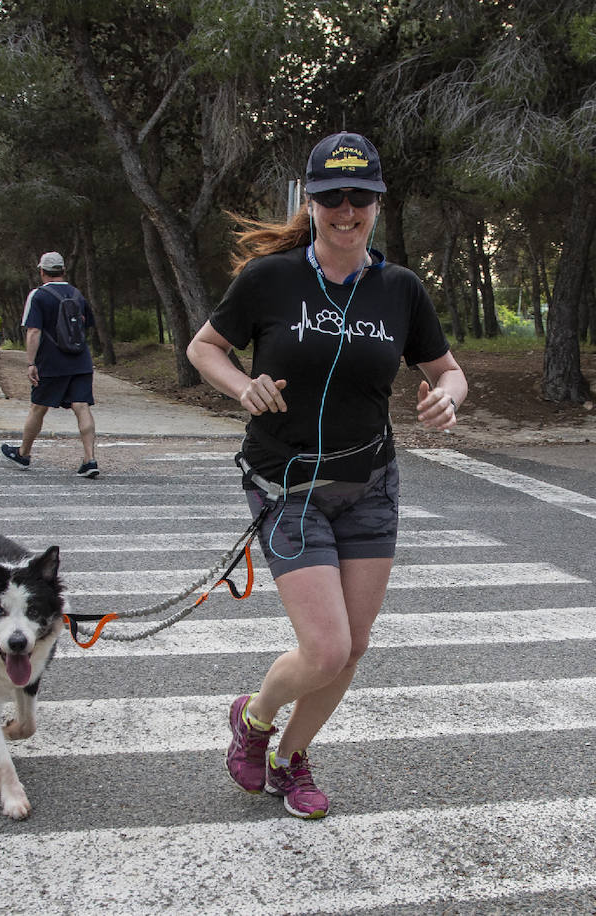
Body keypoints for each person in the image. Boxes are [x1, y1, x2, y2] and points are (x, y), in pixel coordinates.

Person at [186, 132, 466, 819]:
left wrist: (447, 399)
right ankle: (253, 720)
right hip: (286, 486)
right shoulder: (271, 279)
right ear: (310, 203)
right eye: (332, 197)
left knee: (354, 647)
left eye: (361, 197)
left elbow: (449, 369)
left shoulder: (400, 289)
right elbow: (204, 347)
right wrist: (240, 385)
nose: (347, 210)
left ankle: (289, 758)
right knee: (327, 645)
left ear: (377, 204)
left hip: (371, 484)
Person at [1, 251, 101, 478]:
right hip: (80, 360)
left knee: (38, 407)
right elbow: (86, 326)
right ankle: (89, 459)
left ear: (42, 272)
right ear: (63, 270)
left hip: (51, 362)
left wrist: (31, 363)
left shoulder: (38, 296)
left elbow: (33, 331)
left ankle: (23, 453)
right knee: (81, 406)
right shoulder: (77, 294)